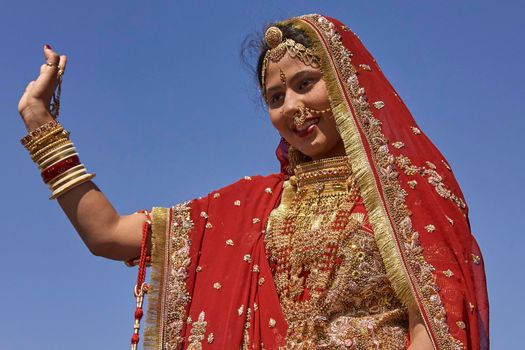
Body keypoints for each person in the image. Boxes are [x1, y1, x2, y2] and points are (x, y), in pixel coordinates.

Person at [18, 14, 488, 350]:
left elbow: (438, 321)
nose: (290, 107)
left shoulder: (409, 190)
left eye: (306, 83)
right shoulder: (255, 205)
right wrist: (39, 123)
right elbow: (108, 234)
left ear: (348, 82)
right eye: (276, 96)